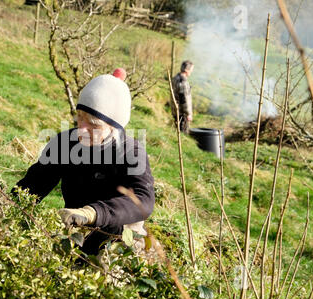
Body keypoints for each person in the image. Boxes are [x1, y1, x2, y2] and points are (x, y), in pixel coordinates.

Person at [11, 72, 155, 256]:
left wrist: (92, 213)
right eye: (80, 117)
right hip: (76, 232)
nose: (82, 129)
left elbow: (144, 201)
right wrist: (7, 209)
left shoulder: (131, 152)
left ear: (114, 127)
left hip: (118, 239)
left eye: (93, 125)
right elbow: (33, 185)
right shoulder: (65, 143)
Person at [171, 60, 194, 133]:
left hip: (175, 111)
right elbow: (184, 99)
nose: (191, 72)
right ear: (187, 70)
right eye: (191, 70)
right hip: (182, 113)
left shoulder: (175, 78)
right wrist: (188, 114)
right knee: (183, 134)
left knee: (178, 131)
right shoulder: (183, 82)